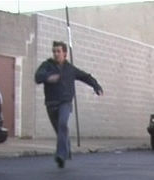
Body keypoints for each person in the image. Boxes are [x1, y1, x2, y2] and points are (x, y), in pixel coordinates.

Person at [34, 40, 103, 168]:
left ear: (65, 53)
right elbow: (38, 77)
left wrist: (96, 86)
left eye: (58, 51)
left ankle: (60, 155)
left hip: (65, 103)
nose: (56, 54)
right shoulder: (47, 65)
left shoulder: (70, 69)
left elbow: (85, 76)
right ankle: (67, 151)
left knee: (62, 124)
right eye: (54, 51)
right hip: (51, 103)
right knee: (60, 130)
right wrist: (48, 77)